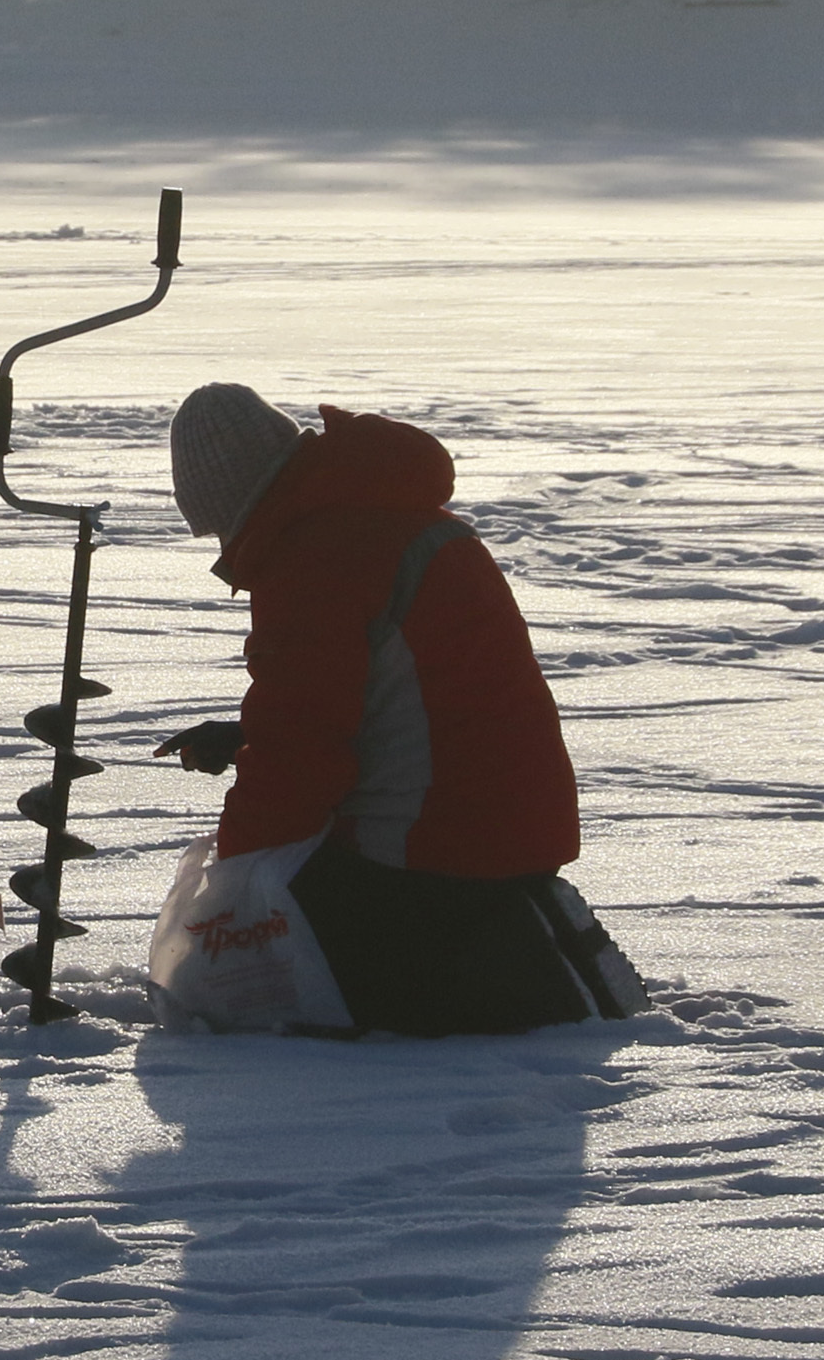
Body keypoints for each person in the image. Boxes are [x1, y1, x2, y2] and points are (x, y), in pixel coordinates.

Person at [153, 382, 646, 1036]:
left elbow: (300, 757)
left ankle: (492, 982)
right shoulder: (394, 517)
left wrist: (236, 882)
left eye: (215, 525)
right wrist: (246, 736)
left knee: (312, 954)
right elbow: (402, 696)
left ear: (237, 500)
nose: (220, 546)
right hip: (512, 818)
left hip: (436, 842)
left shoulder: (314, 558)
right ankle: (532, 940)